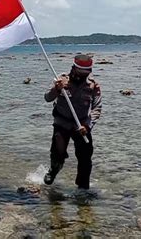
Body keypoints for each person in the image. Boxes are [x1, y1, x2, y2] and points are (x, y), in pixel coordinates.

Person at [43, 54, 102, 190]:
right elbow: (47, 98)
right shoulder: (61, 80)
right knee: (58, 152)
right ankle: (53, 170)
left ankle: (83, 187)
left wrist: (87, 126)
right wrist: (57, 89)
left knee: (85, 157)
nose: (83, 76)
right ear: (74, 68)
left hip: (82, 125)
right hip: (62, 123)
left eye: (86, 73)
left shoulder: (93, 86)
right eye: (81, 72)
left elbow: (97, 107)